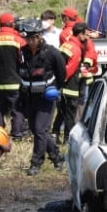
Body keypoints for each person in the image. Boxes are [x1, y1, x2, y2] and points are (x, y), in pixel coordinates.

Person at [17, 18, 66, 176]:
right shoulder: (22, 52)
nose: (30, 41)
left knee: (40, 130)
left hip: (46, 98)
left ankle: (36, 163)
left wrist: (56, 90)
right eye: (28, 38)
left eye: (33, 38)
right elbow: (20, 72)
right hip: (29, 98)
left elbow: (61, 73)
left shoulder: (52, 52)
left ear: (40, 36)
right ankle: (57, 157)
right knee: (38, 131)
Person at [0, 13, 26, 141]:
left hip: (0, 83)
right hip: (16, 82)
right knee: (17, 110)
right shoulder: (19, 40)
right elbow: (24, 60)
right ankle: (17, 134)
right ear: (12, 24)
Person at [56, 22, 97, 143]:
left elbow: (91, 54)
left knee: (64, 110)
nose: (88, 36)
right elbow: (70, 67)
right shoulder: (76, 47)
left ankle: (57, 132)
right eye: (86, 33)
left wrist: (87, 64)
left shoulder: (68, 44)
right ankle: (68, 136)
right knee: (71, 111)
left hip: (73, 81)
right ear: (80, 34)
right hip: (72, 83)